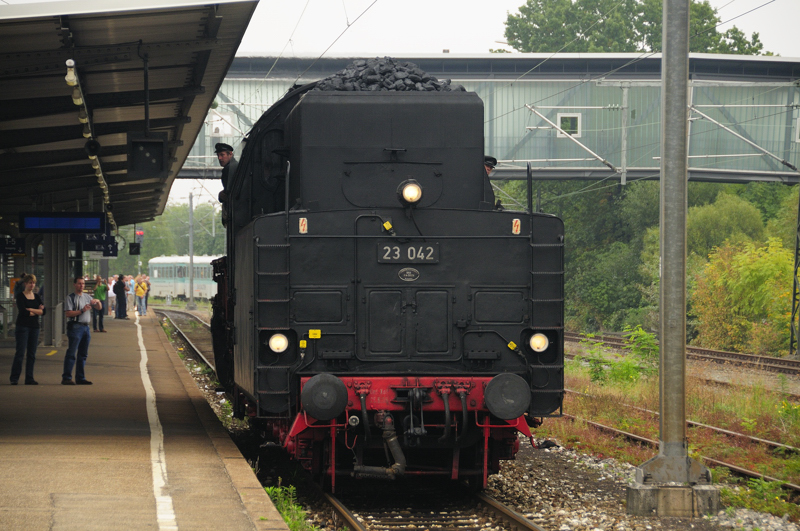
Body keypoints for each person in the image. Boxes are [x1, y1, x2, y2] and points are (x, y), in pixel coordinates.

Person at [62, 277, 101, 385]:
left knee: (83, 354)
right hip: (75, 326)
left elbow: (99, 308)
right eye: (79, 284)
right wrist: (82, 310)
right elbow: (68, 313)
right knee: (72, 353)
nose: (81, 285)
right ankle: (66, 377)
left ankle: (80, 377)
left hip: (86, 328)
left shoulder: (87, 297)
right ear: (74, 285)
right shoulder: (70, 298)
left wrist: (97, 301)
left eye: (83, 284)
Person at [9, 274, 45, 385]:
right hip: (22, 327)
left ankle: (29, 378)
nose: (32, 285)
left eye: (33, 283)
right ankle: (14, 378)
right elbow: (24, 312)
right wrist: (37, 311)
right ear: (25, 283)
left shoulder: (37, 296)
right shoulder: (20, 296)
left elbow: (44, 312)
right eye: (30, 282)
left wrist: (31, 310)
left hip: (35, 327)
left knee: (32, 354)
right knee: (20, 353)